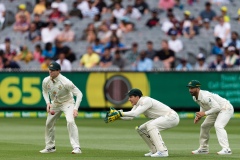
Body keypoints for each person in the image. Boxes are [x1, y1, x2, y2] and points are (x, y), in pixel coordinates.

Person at [106, 88, 179, 157]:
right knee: (141, 129)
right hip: (164, 118)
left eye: (131, 97)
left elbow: (135, 113)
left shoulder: (146, 101)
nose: (129, 99)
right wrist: (117, 117)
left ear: (137, 97)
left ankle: (162, 151)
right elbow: (130, 117)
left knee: (151, 125)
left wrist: (119, 113)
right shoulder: (137, 104)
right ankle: (154, 150)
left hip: (171, 117)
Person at [40, 61, 83, 154]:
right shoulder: (46, 80)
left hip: (67, 103)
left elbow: (79, 94)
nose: (50, 72)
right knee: (48, 123)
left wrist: (75, 108)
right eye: (49, 70)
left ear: (58, 71)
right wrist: (48, 103)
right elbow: (44, 91)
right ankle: (50, 147)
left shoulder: (66, 82)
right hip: (55, 103)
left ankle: (77, 148)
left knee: (70, 121)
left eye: (53, 70)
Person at [186, 80, 234, 155]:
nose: (190, 90)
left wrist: (204, 113)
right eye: (189, 88)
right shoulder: (195, 97)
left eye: (192, 88)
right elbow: (203, 106)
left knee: (218, 125)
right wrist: (199, 115)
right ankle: (204, 149)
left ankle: (226, 149)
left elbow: (217, 107)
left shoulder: (205, 96)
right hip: (215, 110)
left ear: (198, 88)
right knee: (204, 126)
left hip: (225, 108)